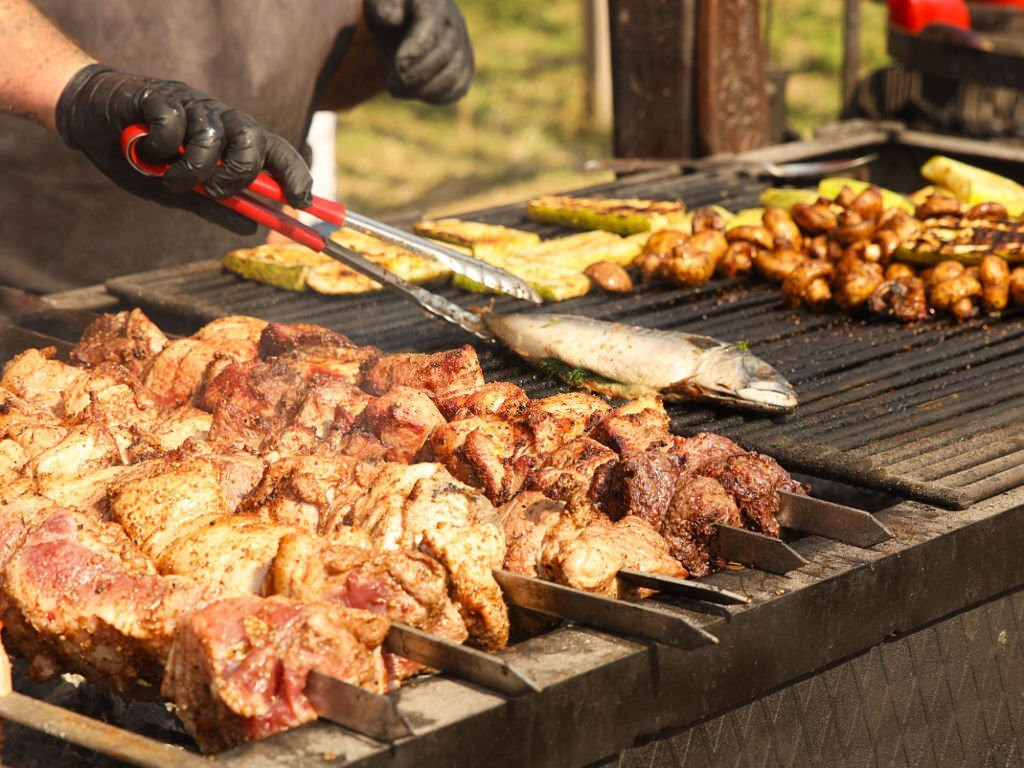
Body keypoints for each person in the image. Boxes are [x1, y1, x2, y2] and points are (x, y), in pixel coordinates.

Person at [0, 0, 474, 294]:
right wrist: (77, 89)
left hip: (241, 283)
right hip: (28, 293)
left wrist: (389, 46)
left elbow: (318, 78)